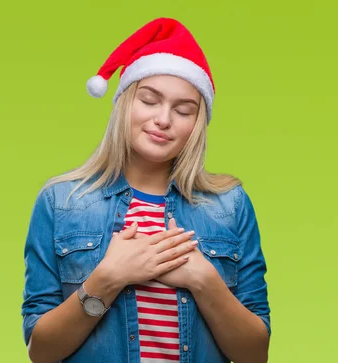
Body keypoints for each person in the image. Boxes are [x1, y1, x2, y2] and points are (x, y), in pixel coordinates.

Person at [20, 17, 271, 363]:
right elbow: (41, 351)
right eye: (150, 100)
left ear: (196, 126)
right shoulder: (61, 203)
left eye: (184, 110)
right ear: (125, 103)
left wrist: (205, 281)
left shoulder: (229, 206)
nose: (163, 119)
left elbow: (255, 355)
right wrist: (107, 279)